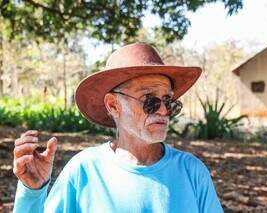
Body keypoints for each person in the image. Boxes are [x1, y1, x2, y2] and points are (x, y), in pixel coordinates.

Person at [13, 43, 224, 213]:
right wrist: (32, 191)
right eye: (149, 100)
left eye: (168, 101)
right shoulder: (84, 170)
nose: (162, 111)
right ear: (113, 105)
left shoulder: (192, 172)